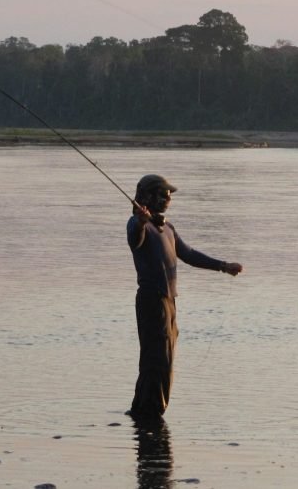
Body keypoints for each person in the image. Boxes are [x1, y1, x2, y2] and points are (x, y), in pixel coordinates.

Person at [126, 174, 243, 419]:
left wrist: (223, 266)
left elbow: (188, 254)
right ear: (147, 196)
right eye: (163, 194)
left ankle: (148, 411)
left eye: (169, 195)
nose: (168, 199)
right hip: (151, 301)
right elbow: (135, 240)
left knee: (165, 359)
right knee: (155, 360)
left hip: (169, 302)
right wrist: (140, 221)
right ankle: (146, 412)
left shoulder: (167, 227)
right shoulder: (138, 224)